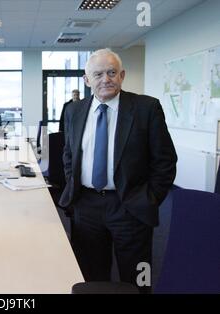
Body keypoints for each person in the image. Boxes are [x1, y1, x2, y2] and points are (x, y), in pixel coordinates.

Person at [59, 48, 177, 293]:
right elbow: (69, 153)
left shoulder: (146, 108)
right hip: (86, 206)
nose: (106, 79)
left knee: (136, 280)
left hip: (130, 205)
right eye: (98, 73)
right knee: (91, 277)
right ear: (87, 79)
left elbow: (165, 161)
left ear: (122, 75)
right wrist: (73, 185)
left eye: (112, 72)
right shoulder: (74, 111)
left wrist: (149, 199)